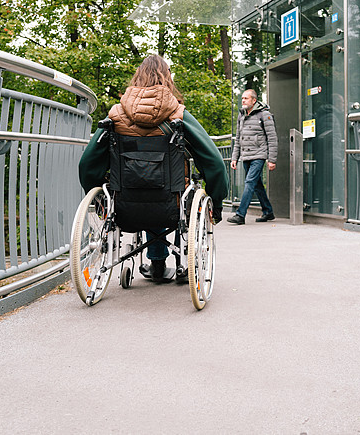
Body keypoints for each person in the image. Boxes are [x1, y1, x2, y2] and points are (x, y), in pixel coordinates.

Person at [78, 54, 229, 282]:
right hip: (171, 206)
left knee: (144, 185)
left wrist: (101, 203)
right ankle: (182, 263)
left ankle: (156, 264)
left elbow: (87, 164)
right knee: (178, 191)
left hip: (124, 206)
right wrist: (216, 203)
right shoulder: (178, 115)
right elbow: (214, 162)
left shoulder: (115, 116)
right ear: (167, 78)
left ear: (137, 78)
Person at [227, 89, 277, 225]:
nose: (243, 100)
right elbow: (238, 138)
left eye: (246, 98)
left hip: (259, 155)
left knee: (249, 182)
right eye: (242, 98)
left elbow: (272, 138)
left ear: (254, 100)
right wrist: (234, 158)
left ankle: (240, 214)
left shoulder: (264, 115)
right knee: (257, 185)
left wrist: (271, 159)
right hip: (246, 156)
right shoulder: (241, 115)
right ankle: (268, 211)